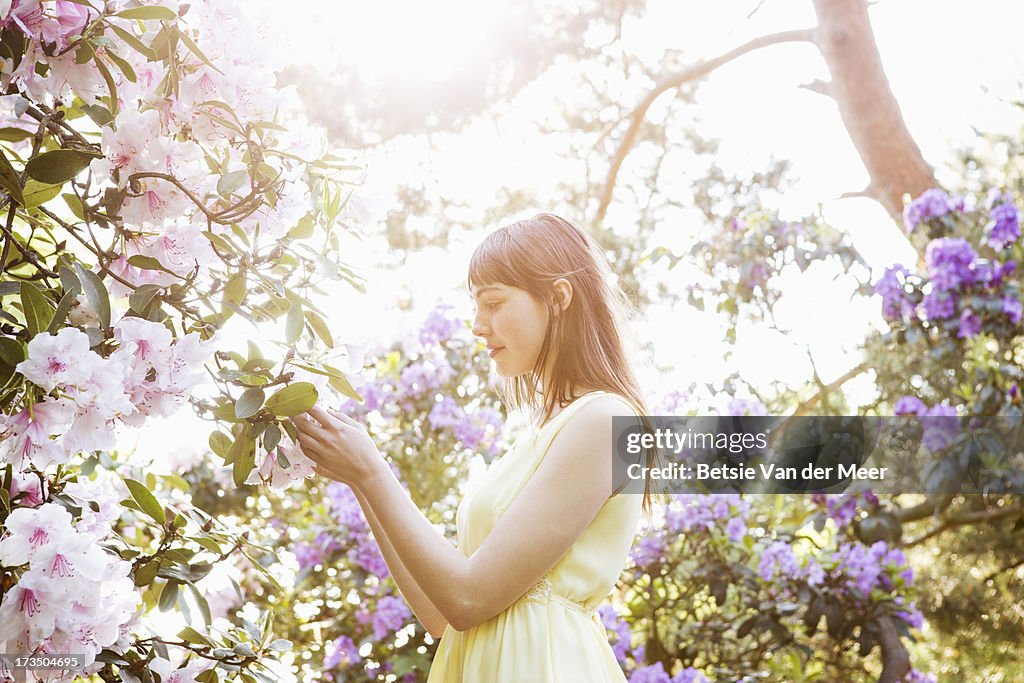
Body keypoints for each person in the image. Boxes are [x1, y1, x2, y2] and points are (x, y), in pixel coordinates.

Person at [292, 213, 659, 682]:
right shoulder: (540, 436)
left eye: (494, 303)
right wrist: (359, 481)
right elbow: (443, 616)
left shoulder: (605, 419)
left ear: (559, 297)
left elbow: (467, 599)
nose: (478, 325)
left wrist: (371, 470)